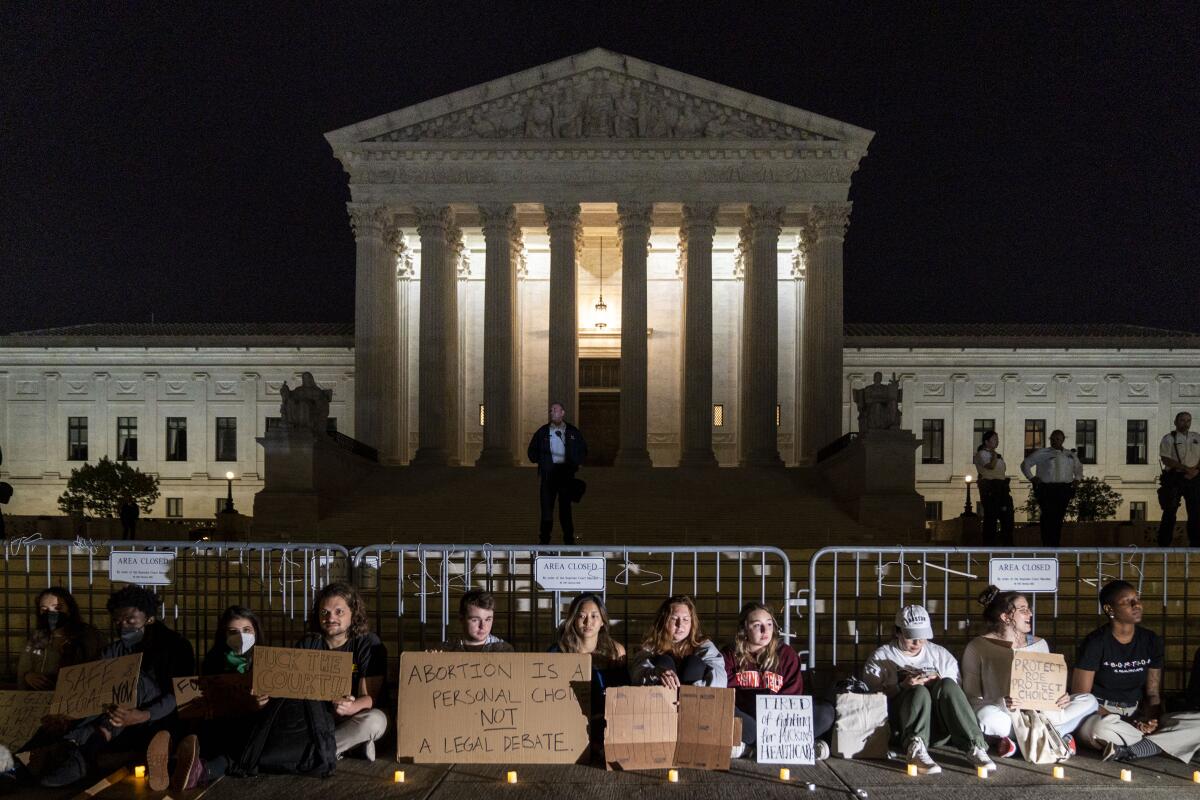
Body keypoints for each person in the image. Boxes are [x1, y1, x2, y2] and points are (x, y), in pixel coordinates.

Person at [39, 585, 195, 790]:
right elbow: (93, 690)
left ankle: (84, 754)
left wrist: (143, 715)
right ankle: (69, 745)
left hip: (160, 718)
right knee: (99, 682)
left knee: (132, 680)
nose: (123, 625)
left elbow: (180, 695)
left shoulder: (176, 646)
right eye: (117, 621)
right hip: (122, 724)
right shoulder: (115, 650)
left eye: (130, 619)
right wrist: (68, 715)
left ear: (149, 618)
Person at [961, 586, 1097, 760]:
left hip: (1042, 713)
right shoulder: (977, 647)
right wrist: (1001, 702)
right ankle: (1053, 738)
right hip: (1005, 715)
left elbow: (1048, 684)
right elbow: (971, 696)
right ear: (1005, 617)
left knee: (1090, 701)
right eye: (1023, 610)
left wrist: (1061, 697)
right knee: (986, 717)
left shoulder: (1040, 644)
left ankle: (1017, 744)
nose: (1030, 614)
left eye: (1029, 609)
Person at [1072, 580, 1200, 763]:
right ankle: (1164, 744)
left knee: (1197, 722)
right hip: (1101, 714)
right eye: (1127, 601)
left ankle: (1135, 748)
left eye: (1137, 599)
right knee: (1098, 730)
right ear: (1109, 609)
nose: (1136, 605)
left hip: (1137, 714)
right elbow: (1082, 697)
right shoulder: (1095, 643)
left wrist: (1151, 720)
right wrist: (1127, 722)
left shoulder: (1151, 640)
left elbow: (1153, 693)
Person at [862, 604, 995, 775]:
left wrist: (937, 684)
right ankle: (915, 747)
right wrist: (901, 687)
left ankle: (975, 746)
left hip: (938, 727)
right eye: (911, 637)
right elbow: (870, 701)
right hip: (900, 728)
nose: (918, 643)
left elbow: (956, 694)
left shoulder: (940, 654)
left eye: (922, 637)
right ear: (898, 632)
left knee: (947, 684)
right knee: (918, 691)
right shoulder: (881, 657)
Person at [721, 602, 833, 760]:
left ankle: (752, 749)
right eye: (757, 625)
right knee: (726, 712)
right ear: (744, 628)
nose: (765, 630)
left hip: (781, 721)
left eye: (769, 624)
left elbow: (793, 697)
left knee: (825, 712)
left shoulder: (786, 654)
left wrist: (776, 723)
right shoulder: (730, 655)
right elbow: (723, 694)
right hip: (750, 722)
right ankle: (798, 746)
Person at [171, 606, 265, 791]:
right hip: (218, 725)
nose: (241, 636)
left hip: (252, 728)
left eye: (246, 630)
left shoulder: (267, 662)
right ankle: (180, 764)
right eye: (233, 632)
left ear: (256, 632)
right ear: (224, 635)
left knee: (234, 749)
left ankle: (200, 772)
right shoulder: (213, 660)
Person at [297, 583, 388, 761]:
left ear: (353, 614)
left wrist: (350, 707)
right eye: (325, 612)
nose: (330, 618)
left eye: (339, 612)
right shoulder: (308, 644)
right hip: (319, 719)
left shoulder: (368, 643)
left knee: (375, 721)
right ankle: (348, 748)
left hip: (355, 717)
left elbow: (371, 698)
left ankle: (314, 752)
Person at [549, 593, 627, 755]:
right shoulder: (558, 651)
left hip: (607, 721)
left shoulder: (616, 651)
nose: (588, 622)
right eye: (581, 616)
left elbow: (624, 692)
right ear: (573, 620)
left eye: (594, 616)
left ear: (603, 622)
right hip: (569, 720)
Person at [630, 595, 726, 689]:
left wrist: (690, 693)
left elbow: (720, 679)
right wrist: (656, 672)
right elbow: (636, 674)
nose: (680, 625)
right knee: (663, 661)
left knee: (693, 663)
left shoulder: (702, 644)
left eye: (685, 619)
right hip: (661, 700)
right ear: (663, 621)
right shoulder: (651, 646)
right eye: (674, 619)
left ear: (692, 623)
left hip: (694, 700)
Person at [17, 587, 104, 690]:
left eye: (57, 608)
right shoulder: (38, 637)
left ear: (70, 609)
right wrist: (28, 676)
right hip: (40, 698)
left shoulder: (89, 635)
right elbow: (24, 667)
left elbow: (99, 671)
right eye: (44, 609)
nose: (51, 613)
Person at [527, 401, 588, 545]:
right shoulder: (542, 432)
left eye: (555, 410)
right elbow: (532, 453)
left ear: (562, 413)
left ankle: (568, 539)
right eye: (551, 410)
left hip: (565, 475)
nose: (552, 412)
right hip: (548, 475)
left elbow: (583, 450)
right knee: (547, 509)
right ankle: (544, 540)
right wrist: (541, 459)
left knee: (565, 509)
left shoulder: (572, 431)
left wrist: (574, 463)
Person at [1020, 429, 1083, 547]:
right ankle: (1047, 544)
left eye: (1058, 439)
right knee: (1048, 516)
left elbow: (1078, 467)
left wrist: (1077, 479)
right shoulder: (1042, 453)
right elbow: (1025, 464)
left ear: (1063, 440)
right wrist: (1032, 478)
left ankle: (1055, 544)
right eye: (1052, 439)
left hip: (1064, 488)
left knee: (1059, 516)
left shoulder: (1070, 454)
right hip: (1047, 488)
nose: (1055, 441)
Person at [1157, 411, 1200, 547]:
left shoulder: (1197, 437)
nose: (1186, 423)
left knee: (1195, 512)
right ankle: (1164, 544)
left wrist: (1196, 470)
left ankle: (1196, 543)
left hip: (1194, 477)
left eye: (1188, 420)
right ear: (1175, 422)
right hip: (1175, 477)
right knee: (1170, 511)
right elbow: (1165, 458)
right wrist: (1186, 469)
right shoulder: (1168, 438)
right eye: (1182, 420)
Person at [436, 590, 515, 652]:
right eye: (475, 620)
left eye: (488, 619)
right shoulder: (445, 650)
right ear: (461, 618)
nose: (482, 626)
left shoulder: (504, 650)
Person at [973, 430, 1014, 546]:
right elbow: (990, 466)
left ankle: (1007, 542)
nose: (997, 441)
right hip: (990, 486)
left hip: (1002, 486)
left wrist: (996, 456)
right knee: (991, 515)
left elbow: (1002, 470)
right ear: (986, 441)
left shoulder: (998, 455)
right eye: (994, 439)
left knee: (1007, 514)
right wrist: (994, 456)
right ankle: (989, 544)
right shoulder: (981, 454)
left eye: (997, 439)